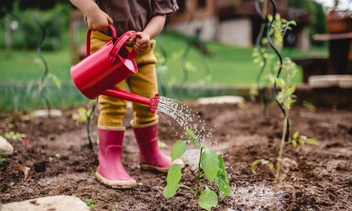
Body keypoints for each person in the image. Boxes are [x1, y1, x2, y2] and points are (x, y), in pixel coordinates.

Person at [69, 0, 183, 189]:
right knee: (113, 105)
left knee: (149, 102)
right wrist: (92, 11)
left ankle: (150, 153)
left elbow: (159, 14)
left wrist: (147, 34)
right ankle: (109, 161)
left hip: (141, 49)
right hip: (107, 46)